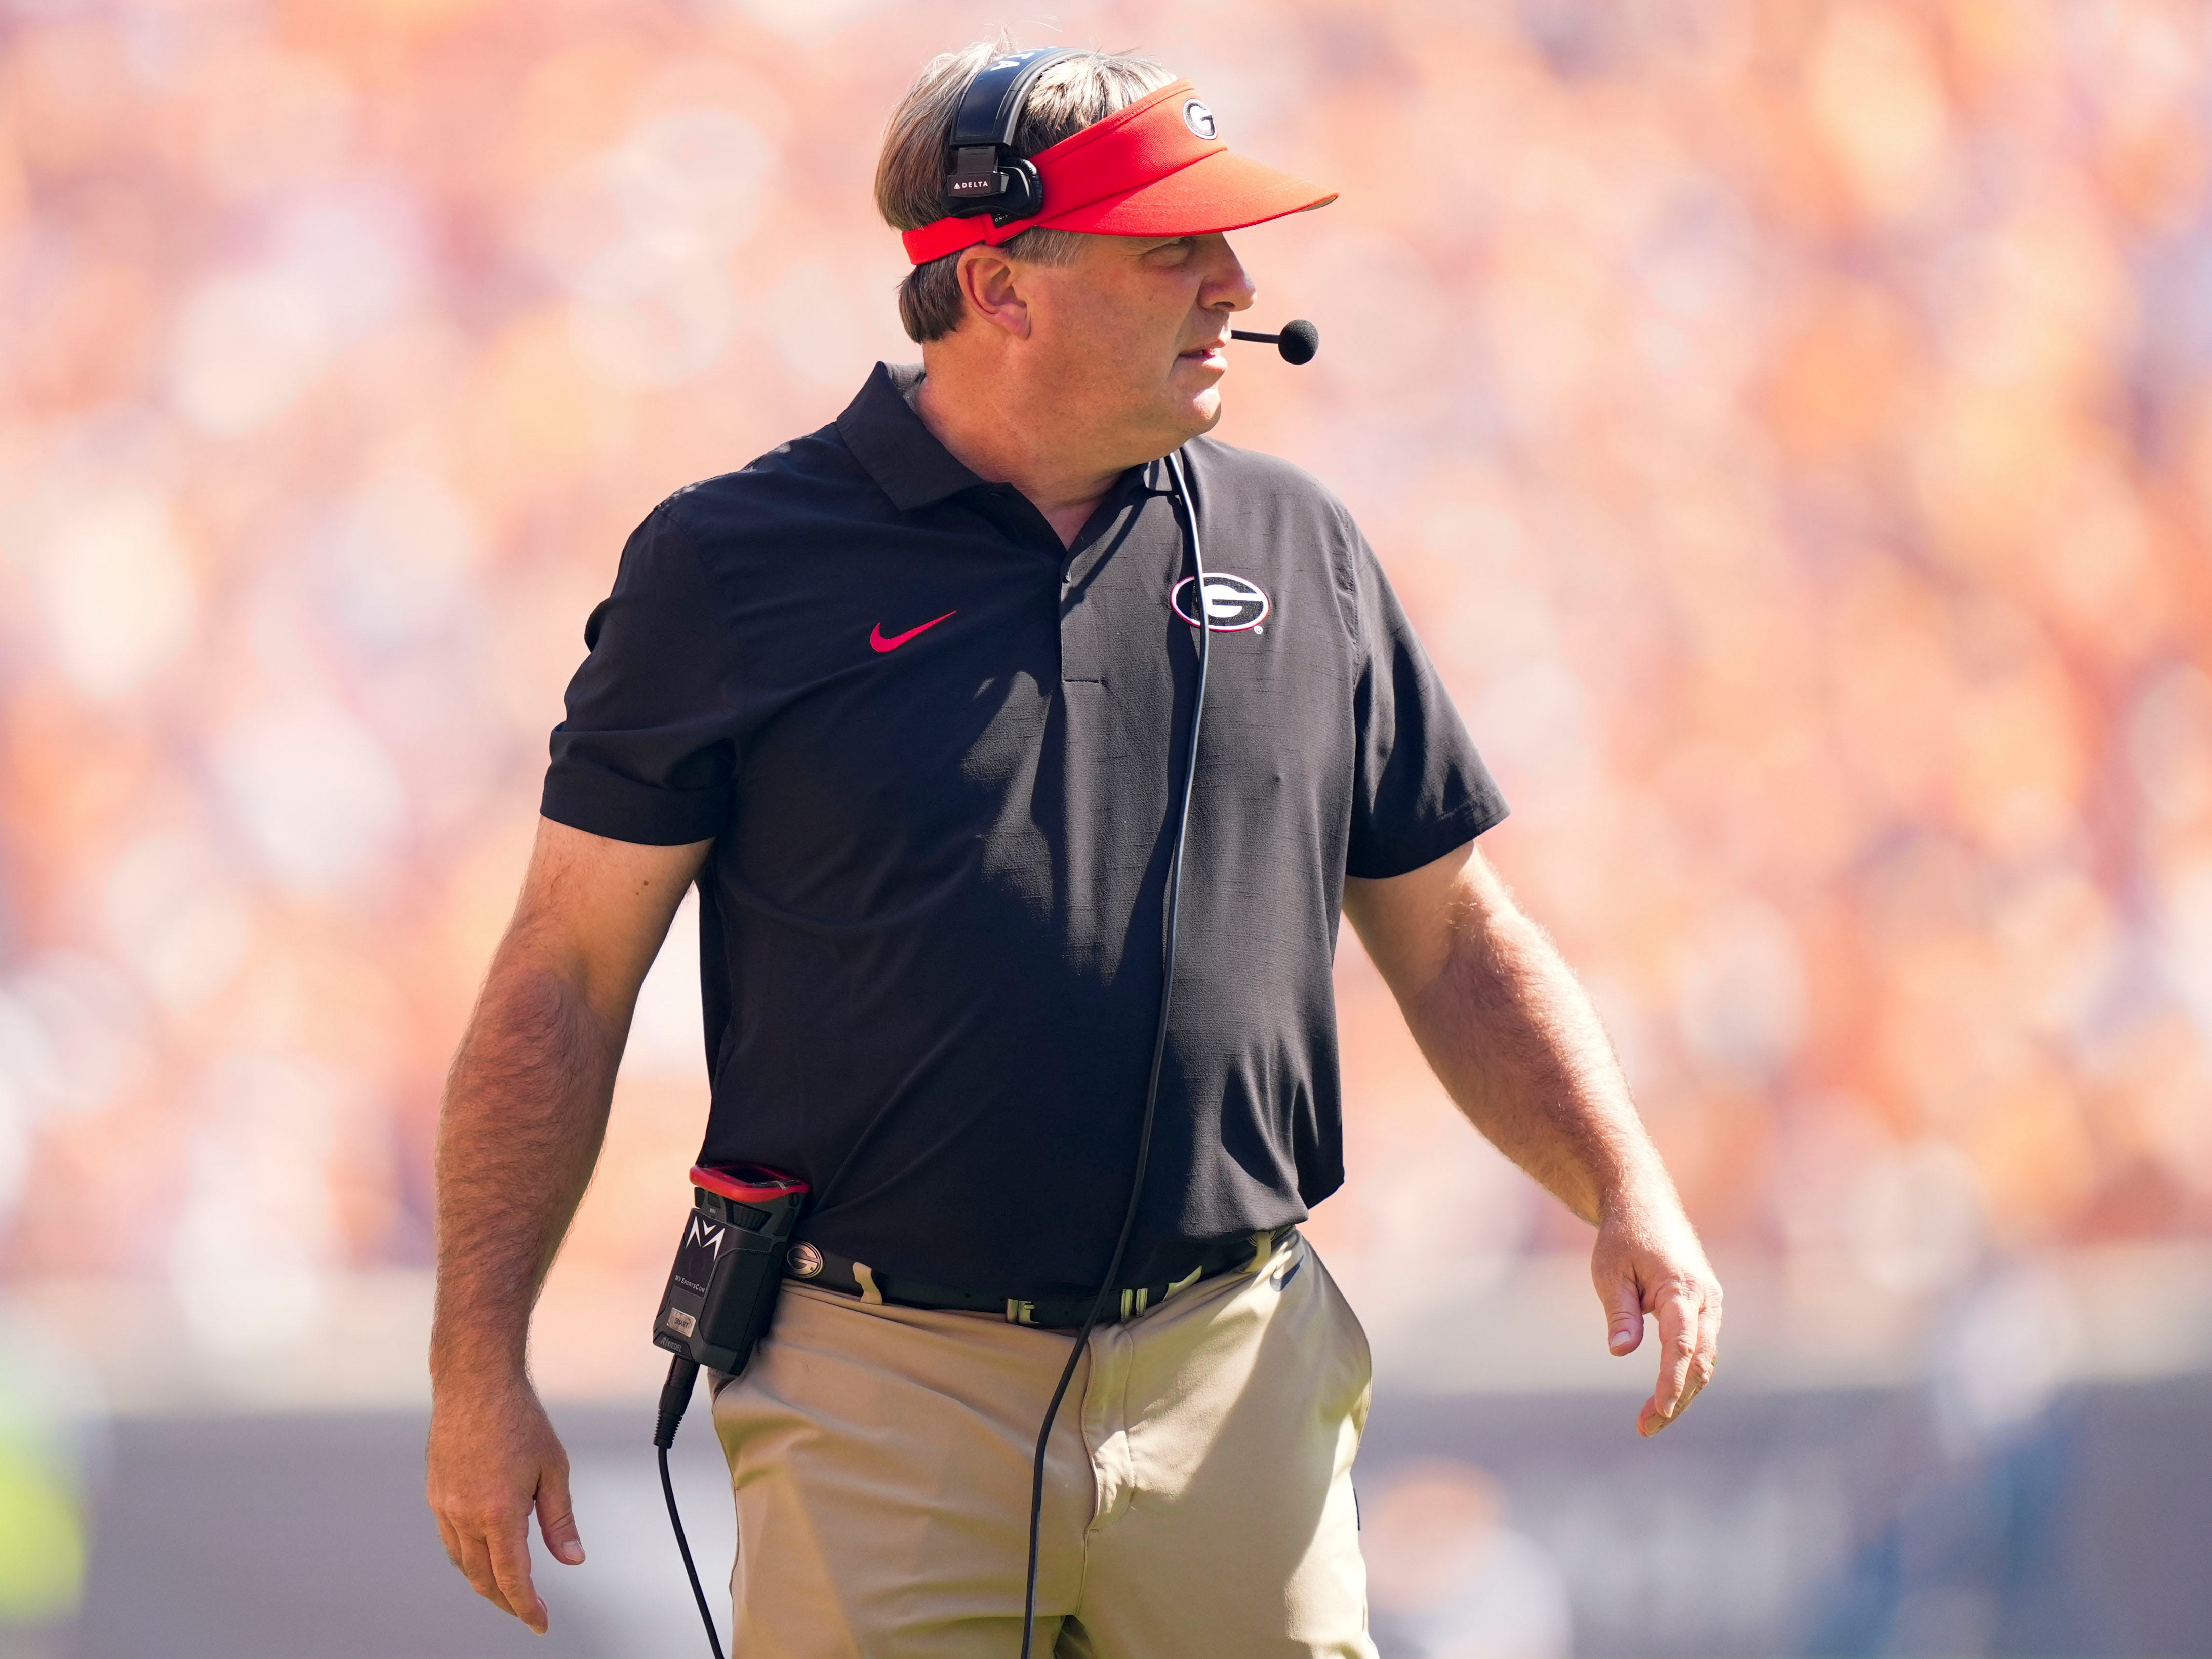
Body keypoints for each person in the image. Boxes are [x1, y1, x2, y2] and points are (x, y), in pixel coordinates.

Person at [425, 39, 1722, 1658]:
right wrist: (477, 1366)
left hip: (1232, 1367)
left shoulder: (1298, 541)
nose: (1232, 283)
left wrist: (1620, 1183)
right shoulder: (730, 563)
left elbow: (1452, 930)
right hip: (880, 1386)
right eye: (1171, 248)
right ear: (998, 287)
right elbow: (561, 975)